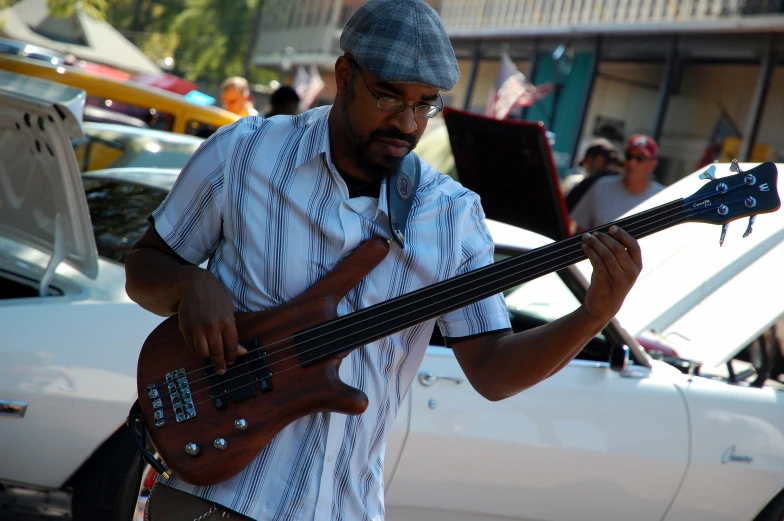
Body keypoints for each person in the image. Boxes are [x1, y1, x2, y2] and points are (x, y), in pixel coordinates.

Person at [124, 0, 643, 519]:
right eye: (389, 96)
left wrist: (592, 315)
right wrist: (189, 285)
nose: (407, 122)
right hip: (210, 501)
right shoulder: (242, 154)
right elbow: (143, 271)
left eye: (425, 105)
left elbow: (492, 372)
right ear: (345, 74)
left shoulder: (452, 216)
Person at [571, 134, 665, 233]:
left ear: (652, 165)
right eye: (629, 156)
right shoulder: (601, 187)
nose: (632, 163)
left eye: (640, 158)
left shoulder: (662, 197)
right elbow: (579, 231)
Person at [563, 138, 622, 211]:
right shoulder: (627, 185)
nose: (586, 169)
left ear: (598, 159)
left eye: (587, 163)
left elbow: (565, 212)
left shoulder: (587, 185)